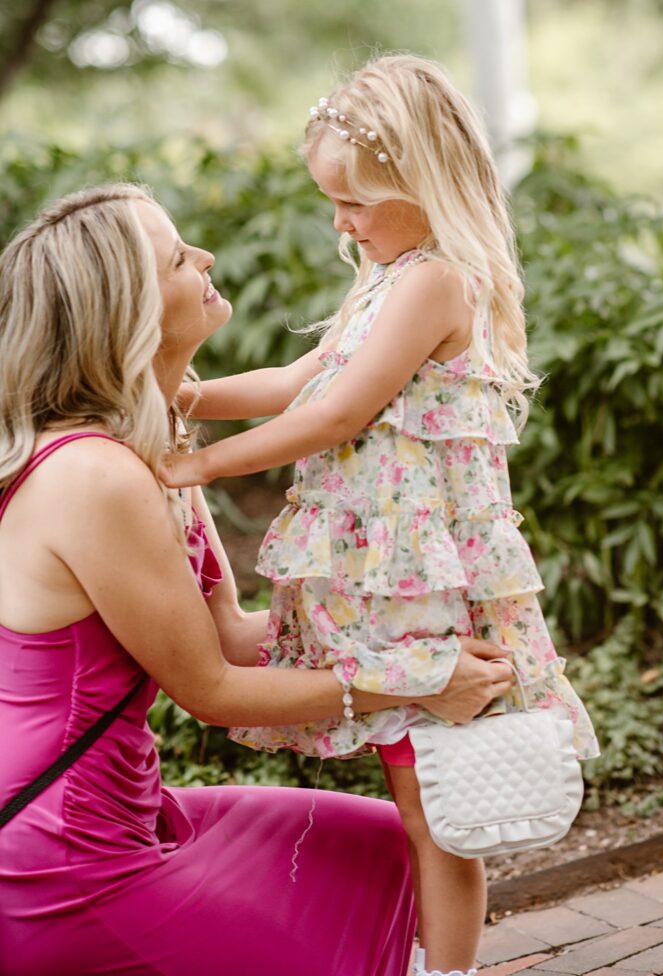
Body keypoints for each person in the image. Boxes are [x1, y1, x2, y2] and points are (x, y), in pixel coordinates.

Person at [0, 182, 516, 976]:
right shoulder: (95, 476)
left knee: (386, 851)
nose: (205, 257)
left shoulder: (154, 445)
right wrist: (413, 681)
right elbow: (212, 691)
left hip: (131, 813)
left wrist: (413, 629)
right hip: (59, 858)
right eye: (179, 258)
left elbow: (233, 640)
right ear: (130, 310)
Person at [160, 54, 600, 976]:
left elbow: (336, 416)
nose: (341, 222)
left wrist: (195, 462)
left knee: (437, 807)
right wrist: (177, 397)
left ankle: (448, 971)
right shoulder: (386, 273)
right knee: (419, 794)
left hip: (423, 581)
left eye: (354, 202)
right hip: (387, 575)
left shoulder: (436, 281)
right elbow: (296, 380)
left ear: (422, 181)